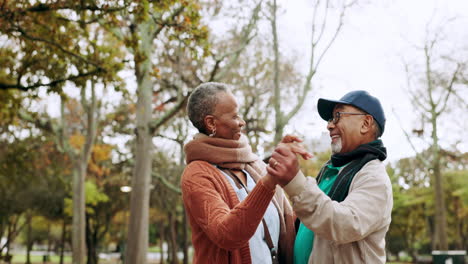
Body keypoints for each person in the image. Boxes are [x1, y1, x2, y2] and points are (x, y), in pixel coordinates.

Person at [181, 82, 311, 264]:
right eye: (234, 116)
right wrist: (268, 181)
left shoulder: (254, 164)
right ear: (211, 123)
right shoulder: (196, 175)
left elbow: (288, 224)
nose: (242, 122)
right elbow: (227, 234)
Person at [266, 90, 393, 263]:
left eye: (338, 116)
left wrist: (294, 181)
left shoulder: (373, 177)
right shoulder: (331, 170)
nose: (329, 125)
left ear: (365, 123)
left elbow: (345, 224)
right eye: (330, 119)